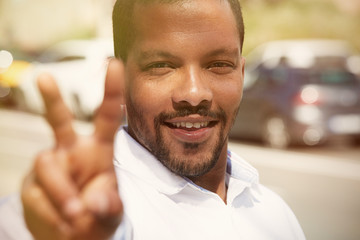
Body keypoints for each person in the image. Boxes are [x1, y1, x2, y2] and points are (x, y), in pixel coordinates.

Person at [0, 0, 306, 239]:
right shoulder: (88, 208)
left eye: (218, 64)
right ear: (118, 80)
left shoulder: (276, 215)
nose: (194, 92)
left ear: (241, 74)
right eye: (161, 65)